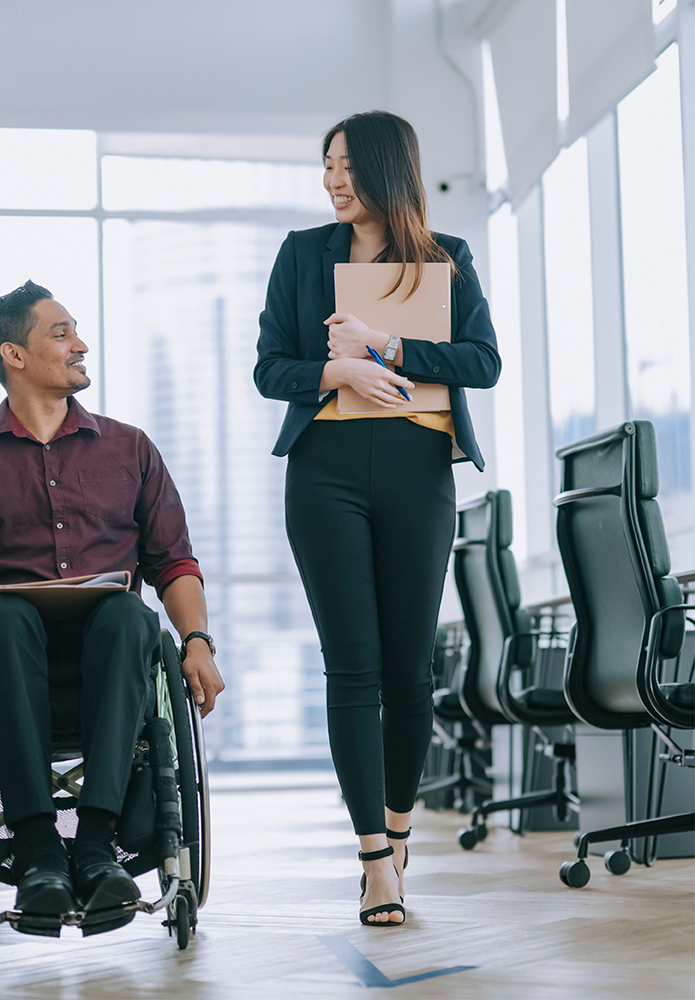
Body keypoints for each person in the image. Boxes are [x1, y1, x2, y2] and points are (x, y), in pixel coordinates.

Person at [0, 279, 224, 935]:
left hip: (115, 663)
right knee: (4, 616)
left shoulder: (130, 450)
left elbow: (174, 563)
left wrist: (198, 641)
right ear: (14, 355)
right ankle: (39, 849)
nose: (82, 345)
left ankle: (96, 848)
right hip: (8, 667)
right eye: (62, 333)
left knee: (130, 612)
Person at [254, 111, 500, 927]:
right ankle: (372, 861)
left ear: (390, 170)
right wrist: (339, 368)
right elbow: (270, 369)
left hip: (417, 469)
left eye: (348, 167)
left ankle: (398, 832)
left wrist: (388, 346)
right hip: (325, 471)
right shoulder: (301, 255)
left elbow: (483, 362)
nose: (332, 181)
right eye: (326, 166)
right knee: (351, 665)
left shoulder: (446, 259)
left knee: (409, 669)